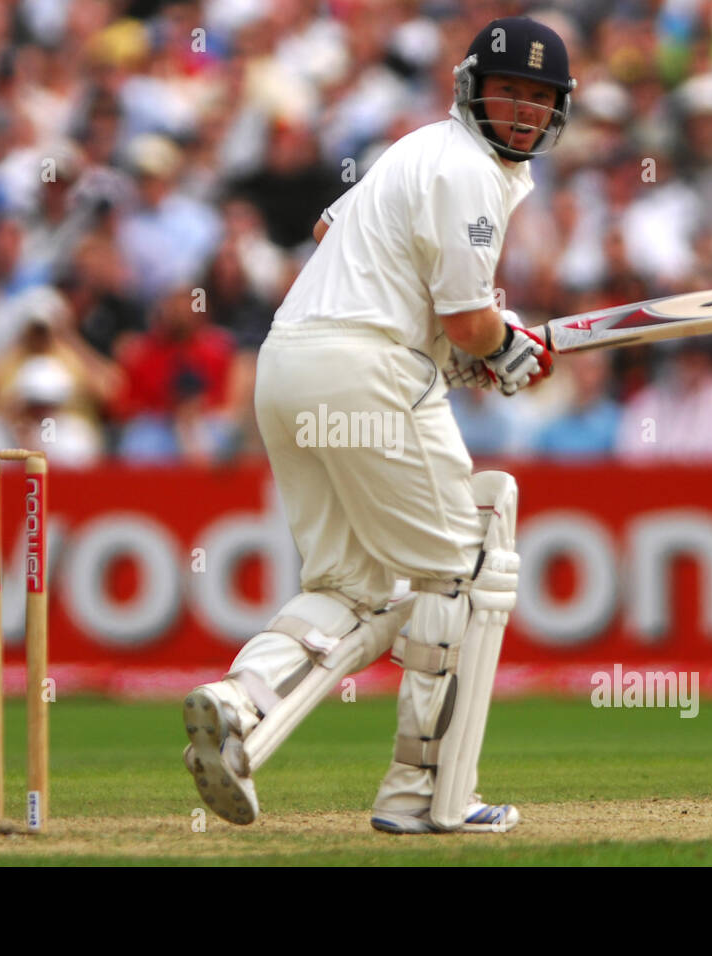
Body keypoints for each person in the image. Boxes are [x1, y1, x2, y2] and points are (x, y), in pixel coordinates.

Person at [182, 17, 575, 834]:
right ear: (473, 88)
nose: (525, 110)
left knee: (349, 585)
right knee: (461, 578)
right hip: (368, 370)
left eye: (541, 98)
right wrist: (503, 352)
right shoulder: (471, 171)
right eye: (511, 90)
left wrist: (463, 342)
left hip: (288, 361)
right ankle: (425, 798)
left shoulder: (415, 147)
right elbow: (468, 321)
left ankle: (240, 698)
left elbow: (335, 234)